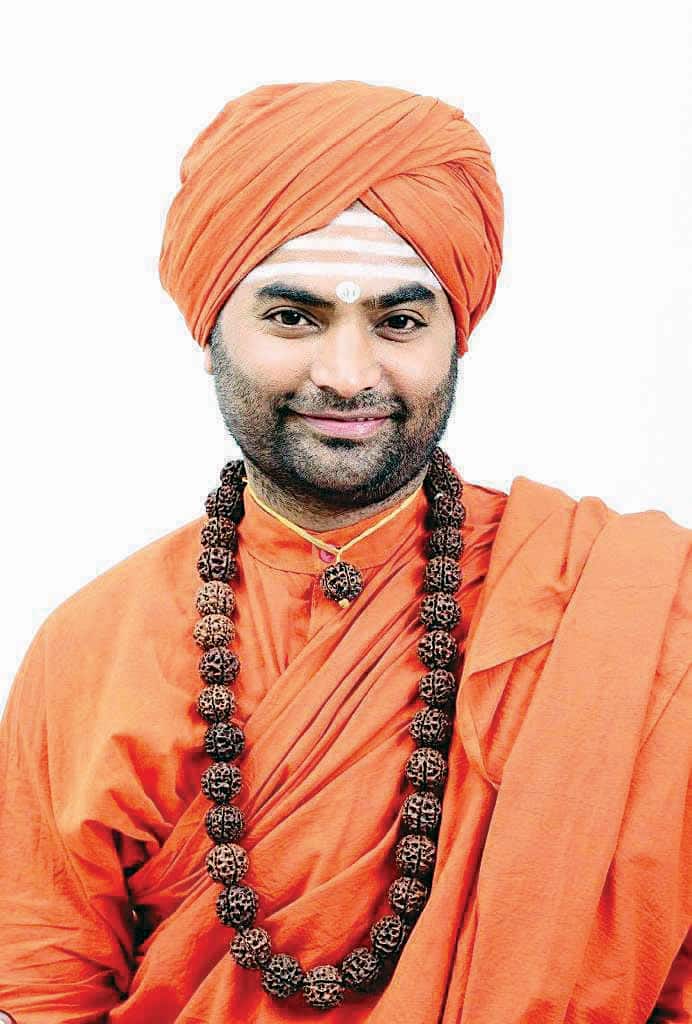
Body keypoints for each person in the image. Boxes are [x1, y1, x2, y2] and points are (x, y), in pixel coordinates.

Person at [0, 80, 689, 1024]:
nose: (348, 375)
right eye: (294, 317)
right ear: (210, 333)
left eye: (399, 322)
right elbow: (45, 985)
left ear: (456, 336)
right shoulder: (92, 646)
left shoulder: (622, 613)